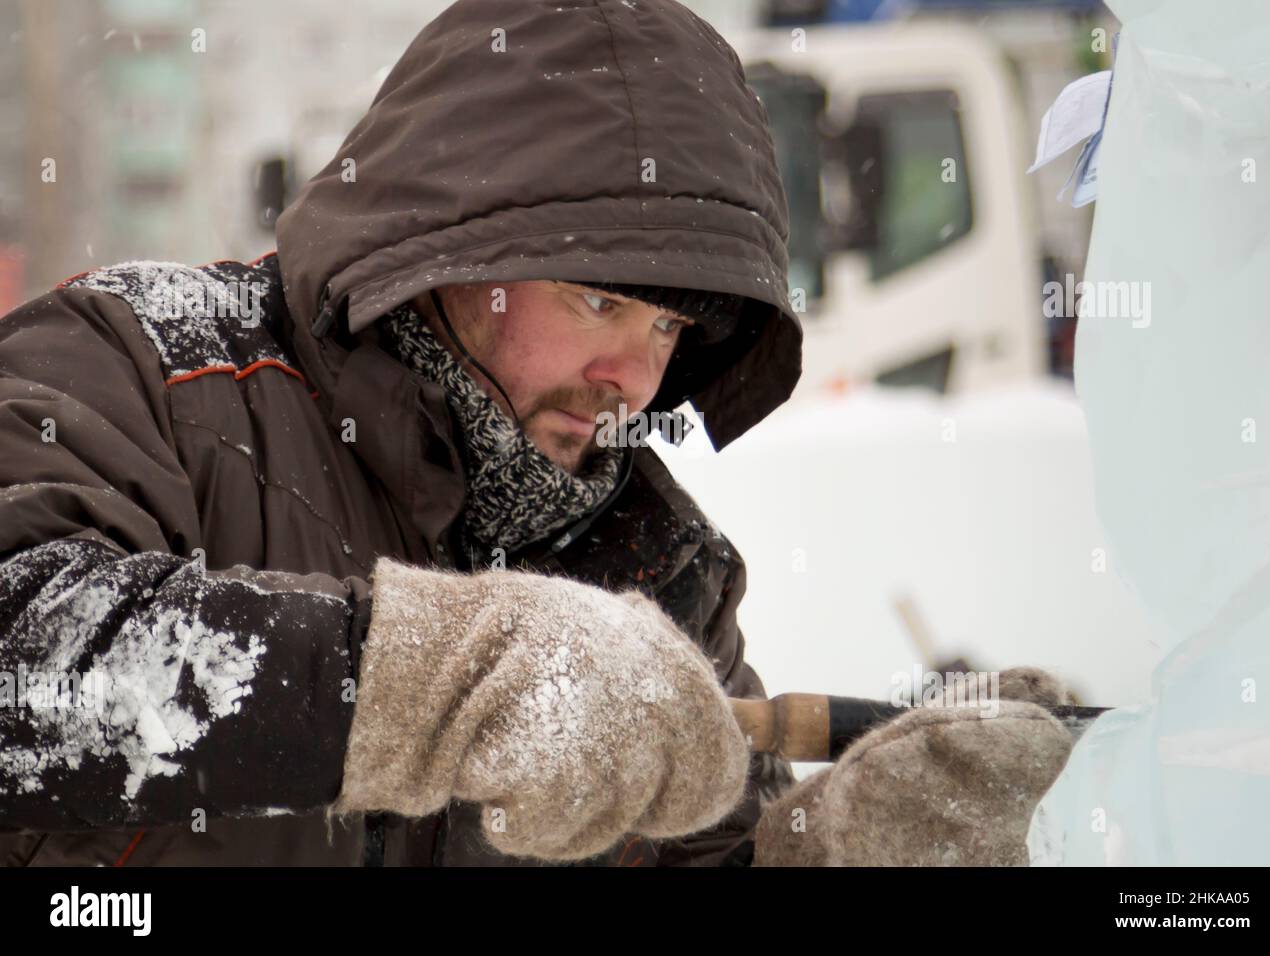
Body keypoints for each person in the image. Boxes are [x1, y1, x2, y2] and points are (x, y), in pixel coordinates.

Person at [0, 0, 803, 866]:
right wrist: (412, 681)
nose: (635, 378)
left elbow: (723, 850)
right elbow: (25, 662)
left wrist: (838, 845)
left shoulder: (651, 571)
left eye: (667, 328)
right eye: (599, 301)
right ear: (452, 252)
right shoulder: (146, 365)